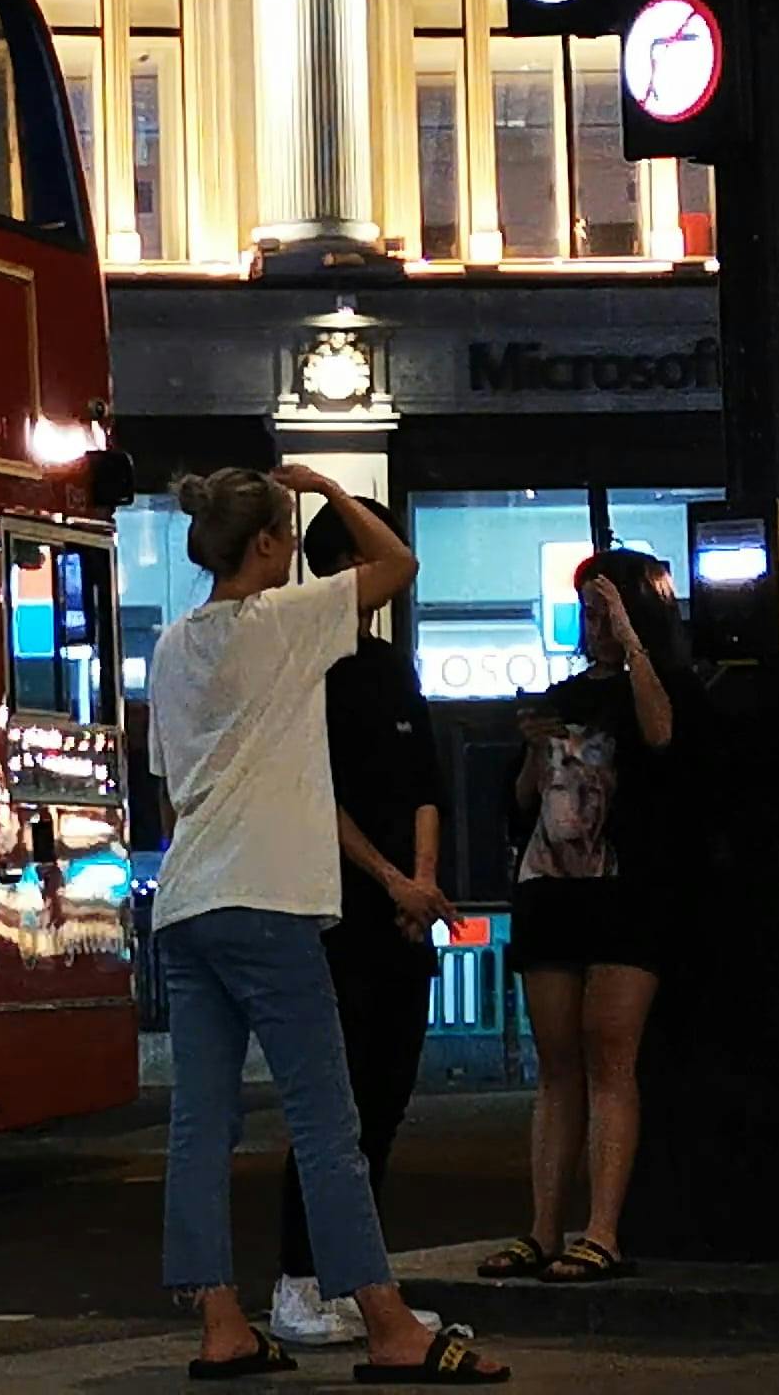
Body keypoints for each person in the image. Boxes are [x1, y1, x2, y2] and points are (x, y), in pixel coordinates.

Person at [149, 464, 507, 1386]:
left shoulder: (171, 646)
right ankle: (387, 1324)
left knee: (202, 1124)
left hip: (190, 902)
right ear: (268, 545)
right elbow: (399, 562)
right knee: (324, 1118)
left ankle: (221, 1324)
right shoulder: (288, 621)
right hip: (269, 898)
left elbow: (172, 782)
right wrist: (323, 486)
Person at [266, 497, 455, 1352]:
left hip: (401, 921)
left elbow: (424, 782)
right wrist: (388, 880)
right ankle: (300, 1279)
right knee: (330, 1108)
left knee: (384, 1103)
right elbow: (316, 796)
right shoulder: (304, 664)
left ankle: (358, 1282)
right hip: (332, 915)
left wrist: (421, 883)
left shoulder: (390, 666)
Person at [475, 546, 684, 1287]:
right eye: (589, 614)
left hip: (626, 892)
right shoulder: (561, 697)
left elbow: (661, 736)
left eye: (606, 613)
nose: (593, 627)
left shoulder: (661, 688)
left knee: (609, 1055)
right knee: (557, 1061)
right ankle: (543, 1228)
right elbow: (520, 807)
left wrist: (633, 647)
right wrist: (534, 757)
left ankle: (601, 1229)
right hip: (554, 888)